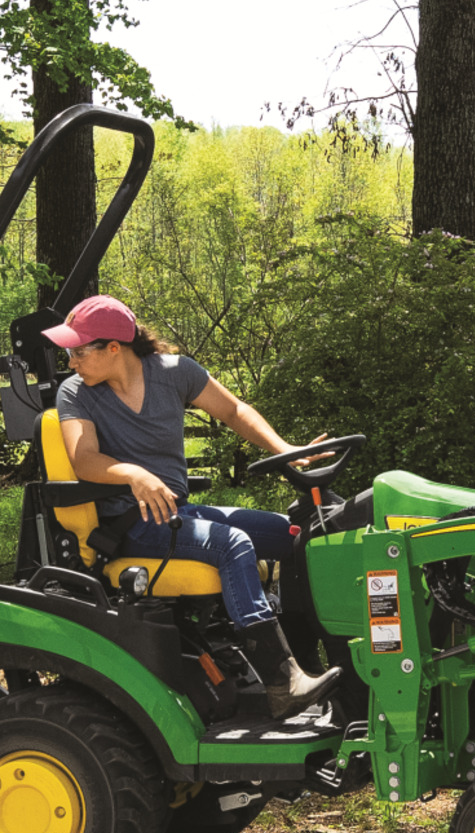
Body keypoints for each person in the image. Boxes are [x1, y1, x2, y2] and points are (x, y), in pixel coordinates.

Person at [46, 294, 342, 722]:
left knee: (296, 535)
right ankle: (282, 682)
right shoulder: (76, 392)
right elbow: (83, 458)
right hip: (131, 521)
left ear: (114, 348)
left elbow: (234, 410)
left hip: (175, 513)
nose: (70, 360)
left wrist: (285, 449)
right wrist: (134, 474)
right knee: (232, 544)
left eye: (77, 350)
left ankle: (307, 658)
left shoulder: (175, 373)